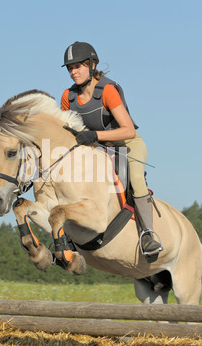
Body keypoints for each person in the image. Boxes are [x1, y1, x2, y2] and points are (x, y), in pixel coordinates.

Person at [60, 41, 163, 259]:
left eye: (77, 66)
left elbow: (128, 131)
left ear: (92, 64)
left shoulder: (107, 90)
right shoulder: (67, 97)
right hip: (96, 150)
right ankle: (67, 235)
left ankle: (148, 234)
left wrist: (95, 135)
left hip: (127, 145)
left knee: (135, 177)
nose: (73, 72)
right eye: (70, 68)